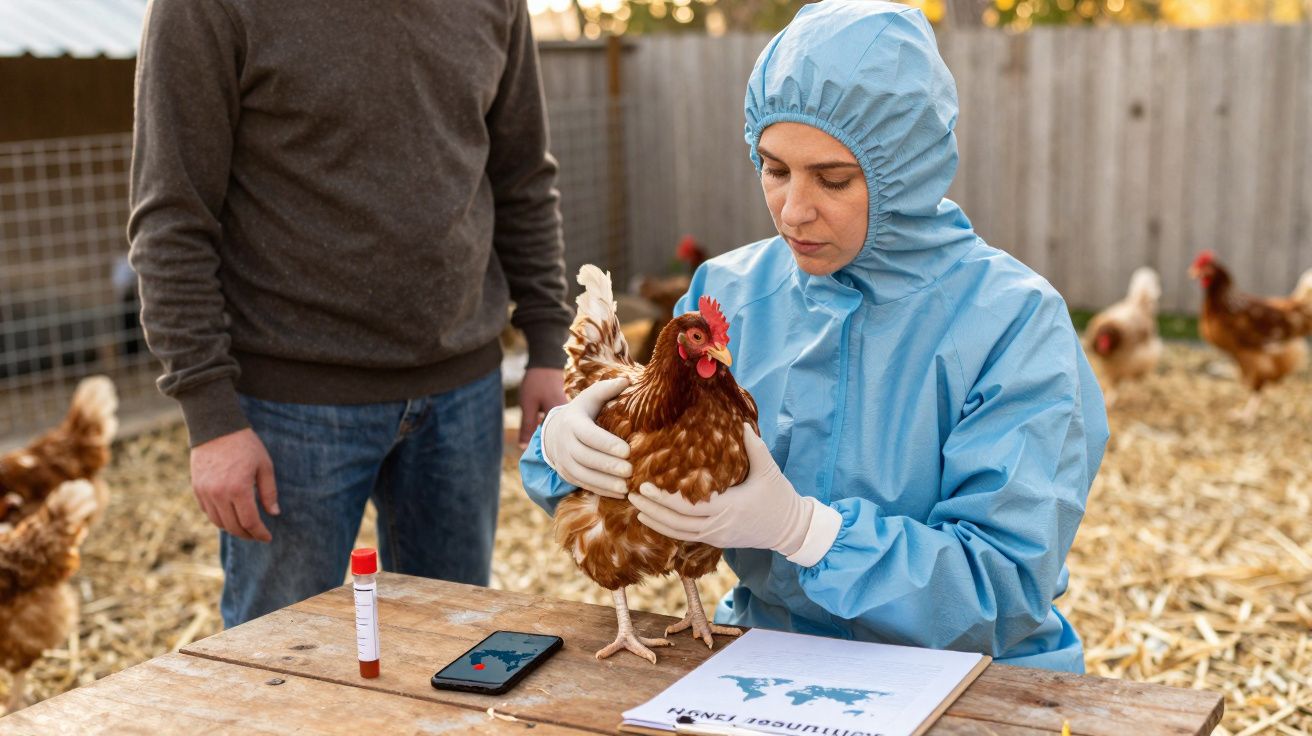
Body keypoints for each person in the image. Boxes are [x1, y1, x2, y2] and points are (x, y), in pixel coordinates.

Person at [520, 0, 1108, 672]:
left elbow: (1003, 587)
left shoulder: (1013, 322)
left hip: (974, 675)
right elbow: (632, 484)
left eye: (833, 179)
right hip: (767, 651)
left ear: (904, 171)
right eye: (774, 169)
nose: (793, 211)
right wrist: (563, 446)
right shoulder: (730, 292)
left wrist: (809, 533)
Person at [129, 0, 571, 627]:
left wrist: (549, 344)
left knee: (450, 650)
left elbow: (522, 177)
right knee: (278, 657)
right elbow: (171, 220)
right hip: (291, 410)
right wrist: (210, 417)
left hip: (463, 396)